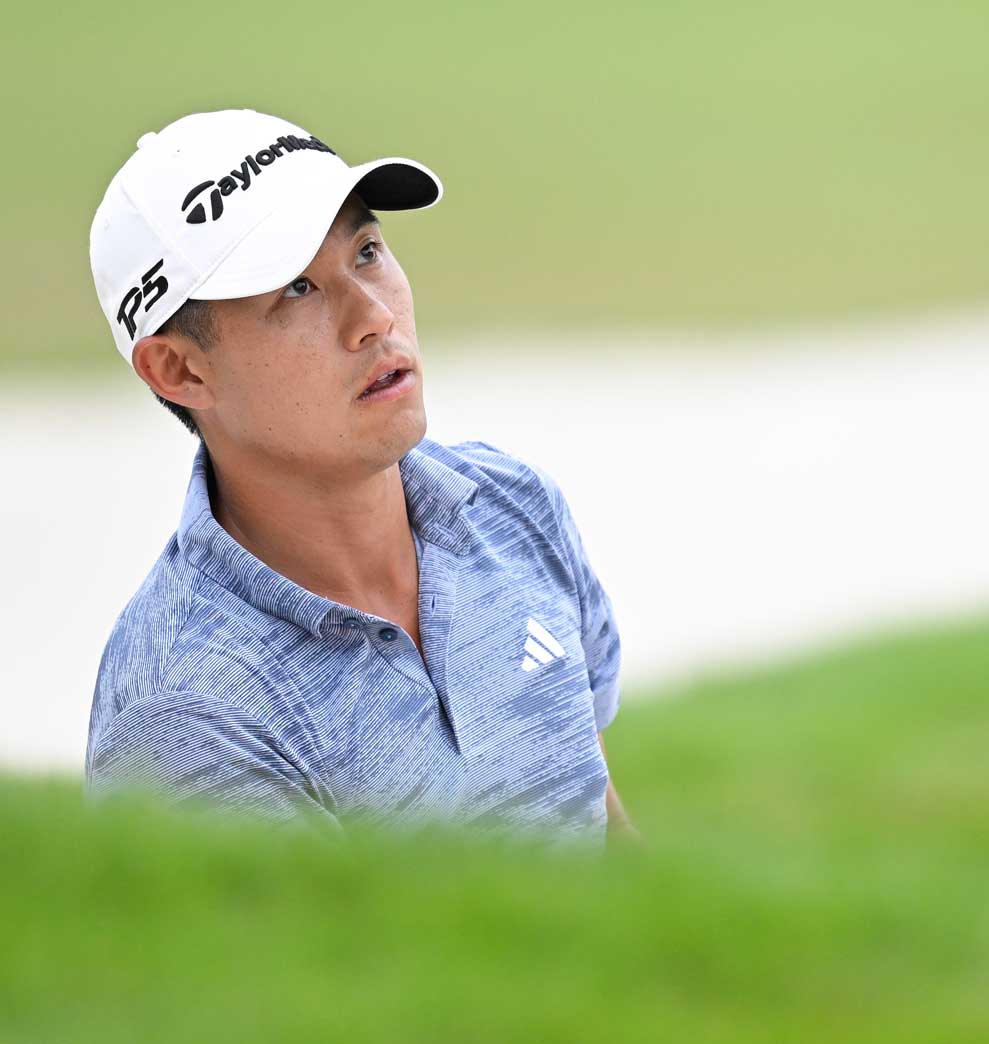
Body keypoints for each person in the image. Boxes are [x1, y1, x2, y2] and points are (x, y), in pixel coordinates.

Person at [84, 109, 632, 844]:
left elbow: (600, 827)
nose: (374, 318)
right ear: (179, 369)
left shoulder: (513, 505)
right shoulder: (185, 718)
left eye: (367, 251)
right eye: (296, 291)